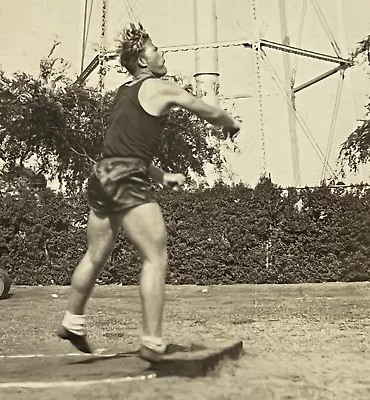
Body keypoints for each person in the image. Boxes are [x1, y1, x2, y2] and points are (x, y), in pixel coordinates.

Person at [57, 22, 242, 363]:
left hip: (103, 174)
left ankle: (73, 320)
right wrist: (229, 122)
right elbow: (207, 110)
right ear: (143, 61)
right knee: (155, 258)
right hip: (126, 176)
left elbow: (125, 149)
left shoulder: (122, 93)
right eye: (155, 49)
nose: (162, 53)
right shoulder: (160, 87)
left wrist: (162, 174)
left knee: (95, 254)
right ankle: (152, 342)